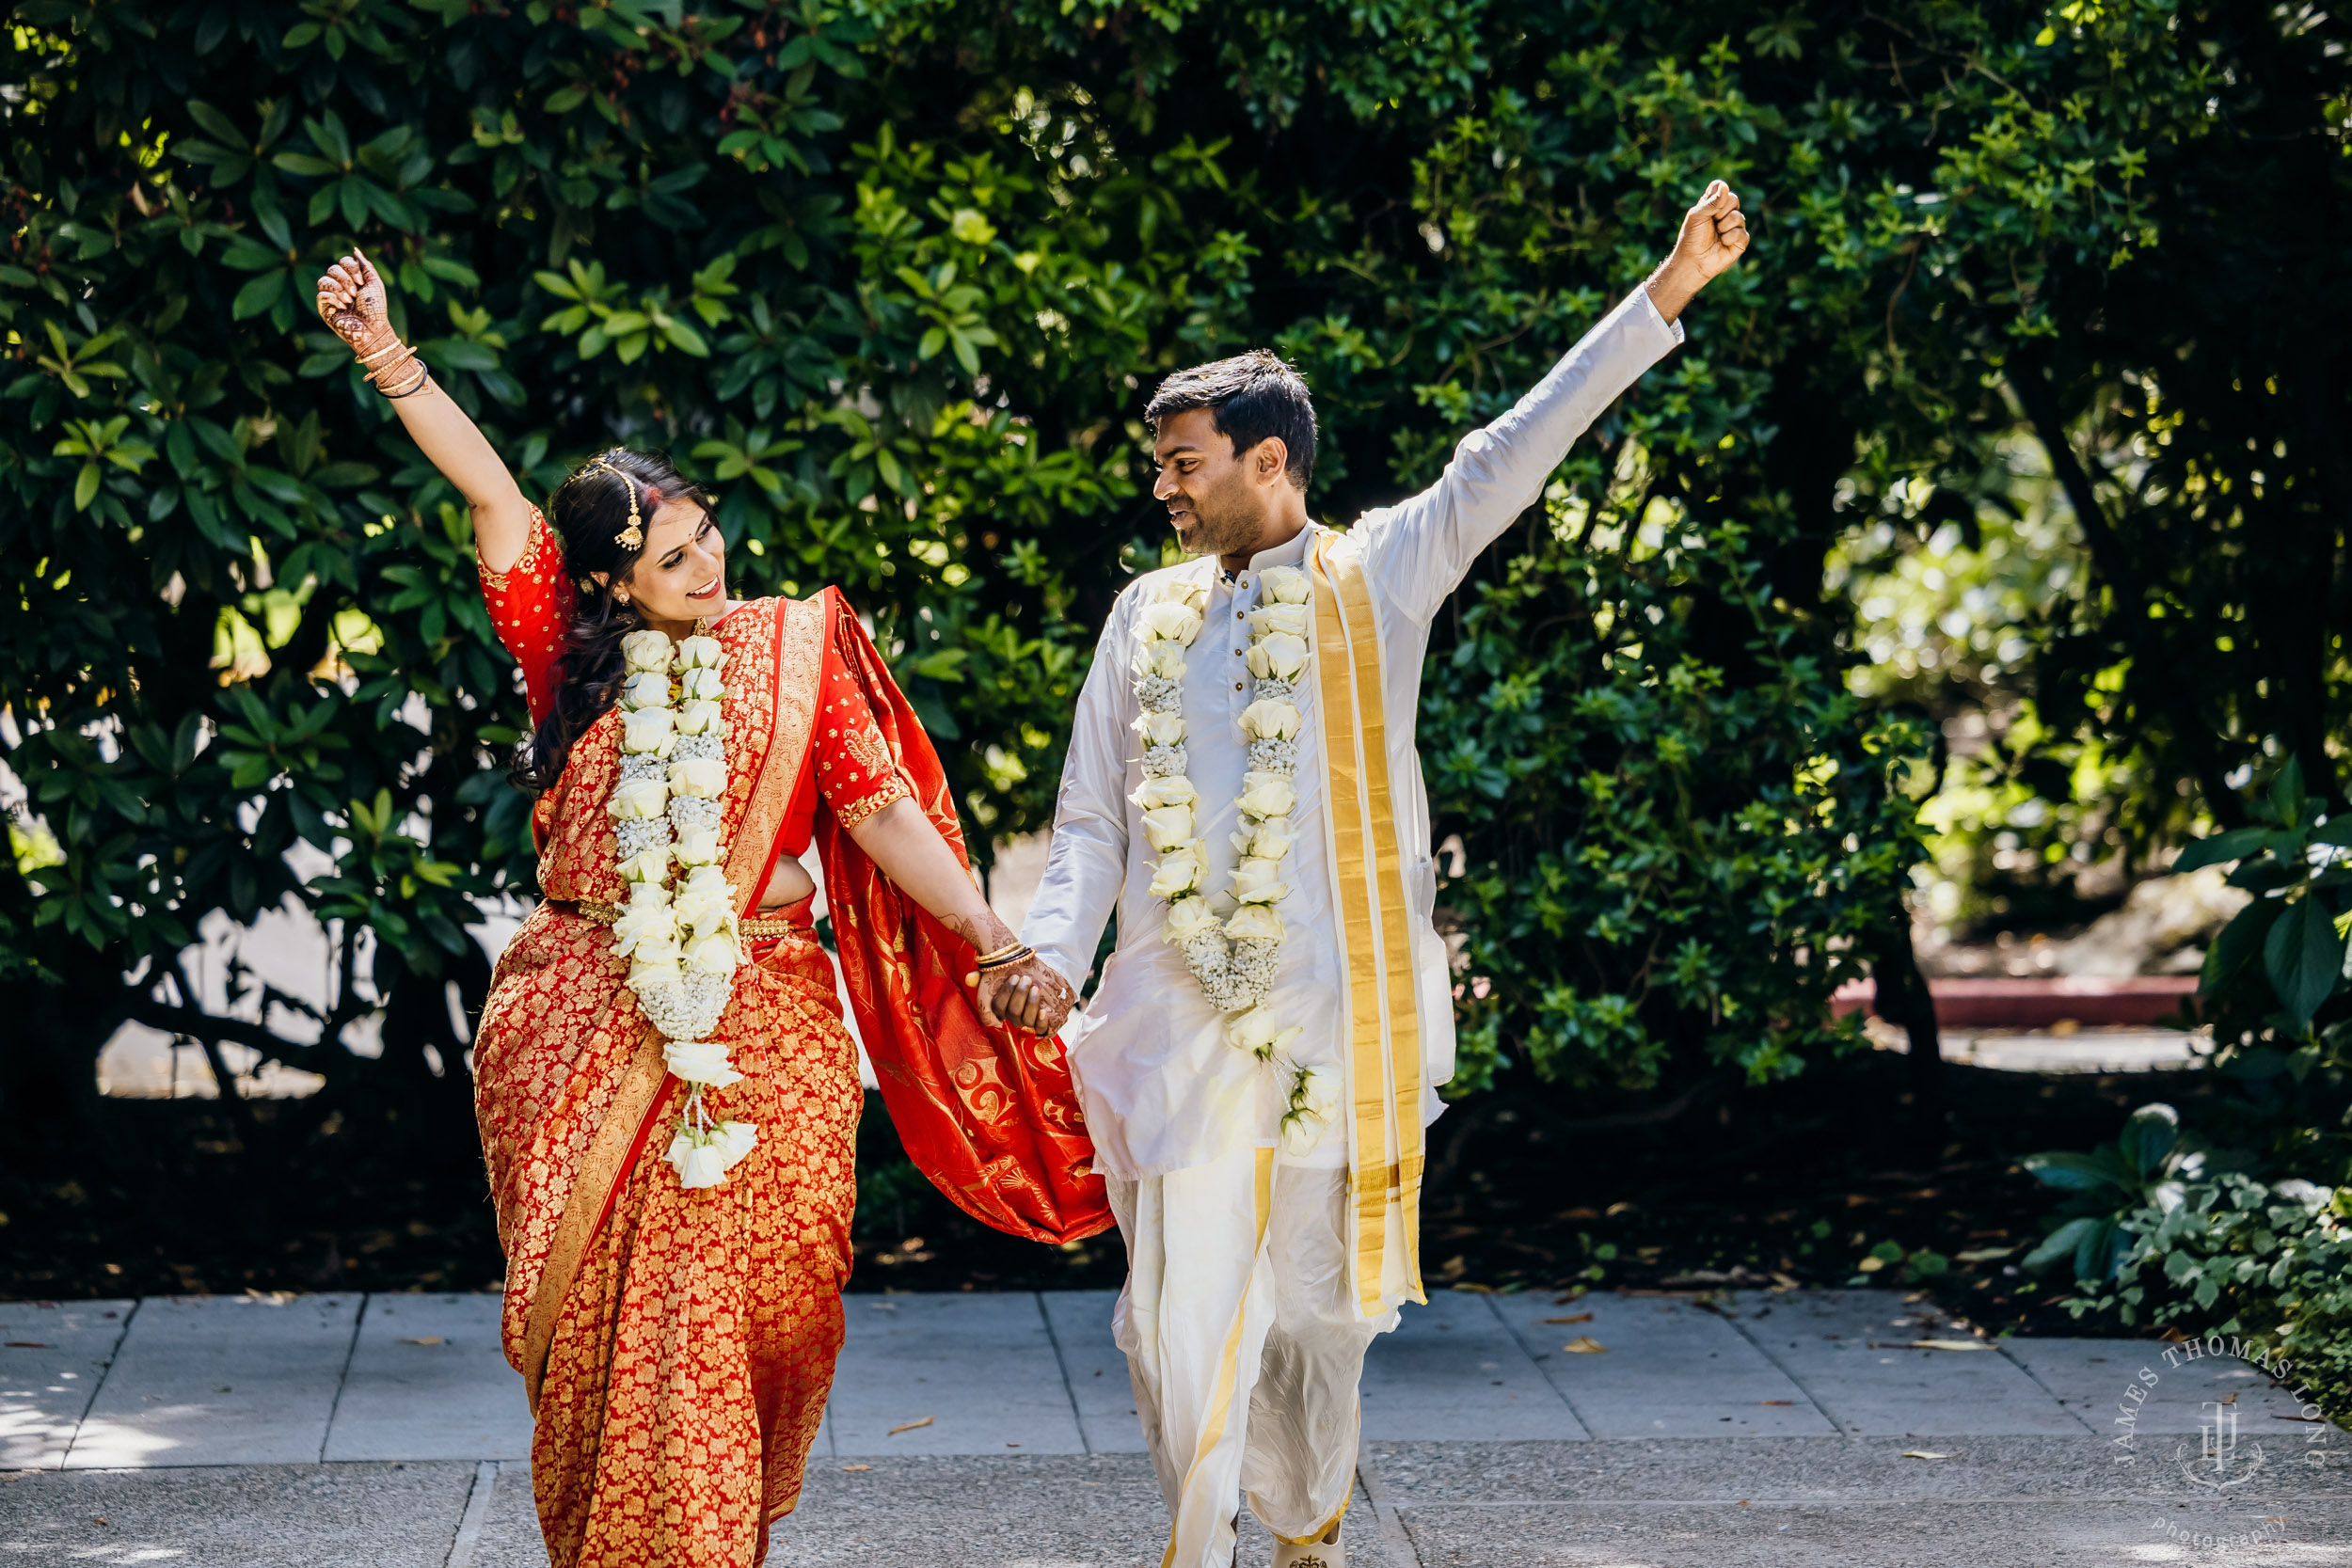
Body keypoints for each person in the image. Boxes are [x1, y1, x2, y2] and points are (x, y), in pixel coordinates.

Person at [310, 252, 1101, 1568]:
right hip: (584, 1024)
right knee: (632, 1323)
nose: (708, 564)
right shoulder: (563, 657)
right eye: (673, 556)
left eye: (707, 534)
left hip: (767, 1033)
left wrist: (995, 938)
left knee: (767, 1307)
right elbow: (496, 495)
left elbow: (881, 811)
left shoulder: (789, 655)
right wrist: (387, 353)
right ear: (610, 584)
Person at [1021, 182, 1750, 1568]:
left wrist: (1661, 299)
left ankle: (1302, 1534)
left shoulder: (1379, 578)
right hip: (1176, 1016)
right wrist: (1053, 955)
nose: (1161, 486)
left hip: (1332, 1019)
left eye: (1184, 462)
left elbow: (1508, 456)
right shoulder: (1143, 616)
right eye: (1160, 464)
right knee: (1165, 1314)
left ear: (1269, 460)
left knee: (1312, 1315)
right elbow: (1092, 824)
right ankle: (1202, 1543)